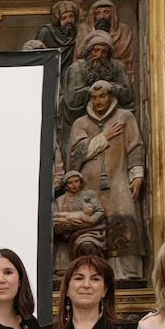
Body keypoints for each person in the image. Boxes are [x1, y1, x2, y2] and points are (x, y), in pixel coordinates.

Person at [68, 80, 146, 281]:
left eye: (102, 96)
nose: (98, 101)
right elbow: (76, 155)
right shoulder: (81, 123)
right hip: (88, 186)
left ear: (111, 97)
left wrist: (136, 174)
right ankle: (92, 274)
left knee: (124, 219)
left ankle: (126, 274)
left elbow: (135, 147)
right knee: (89, 227)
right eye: (94, 97)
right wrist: (104, 136)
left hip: (117, 179)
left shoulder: (125, 118)